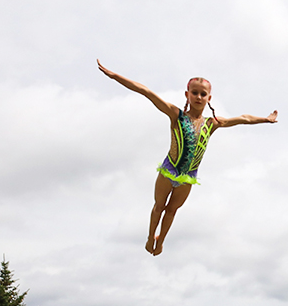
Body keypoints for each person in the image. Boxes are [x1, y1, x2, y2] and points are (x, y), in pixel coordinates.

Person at [97, 61, 278, 256]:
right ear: (187, 95)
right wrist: (115, 76)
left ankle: (161, 241)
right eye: (195, 93)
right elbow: (146, 92)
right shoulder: (176, 115)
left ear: (209, 98)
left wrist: (265, 119)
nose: (198, 97)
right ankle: (150, 237)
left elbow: (244, 118)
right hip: (169, 170)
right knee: (159, 206)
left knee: (172, 211)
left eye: (203, 94)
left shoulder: (213, 123)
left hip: (188, 177)